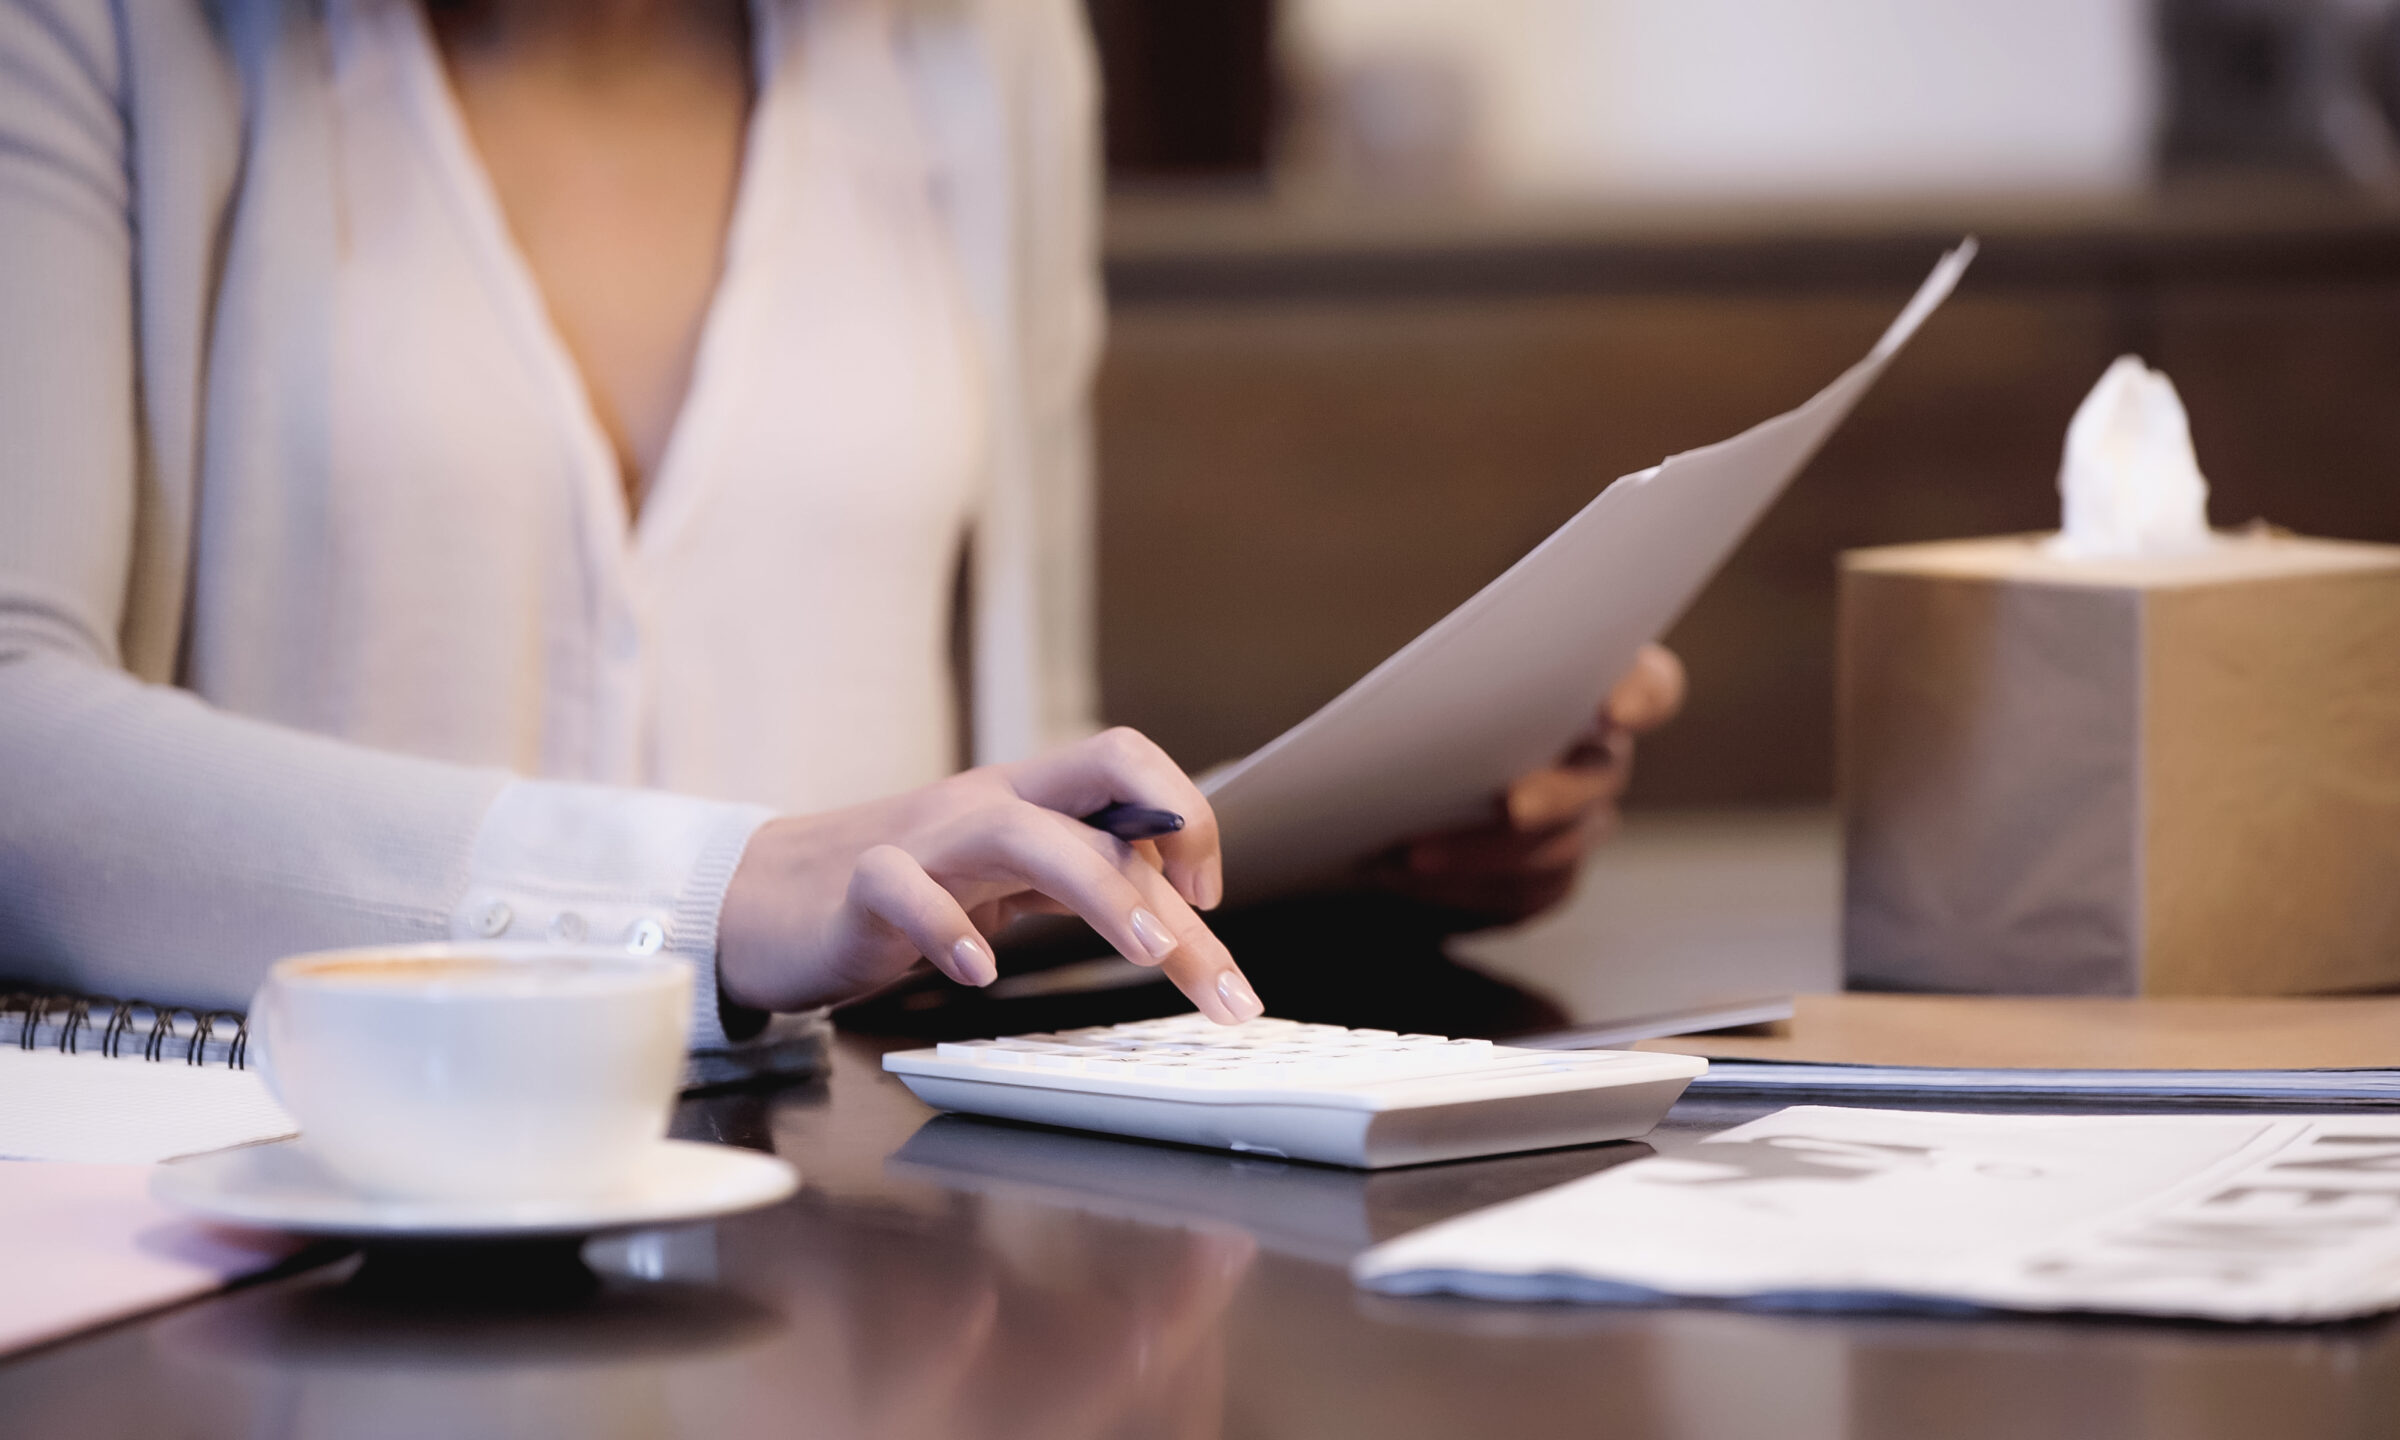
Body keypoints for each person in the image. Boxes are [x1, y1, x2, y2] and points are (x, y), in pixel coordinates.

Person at [0, 0, 1681, 1055]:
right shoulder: (110, 36)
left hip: (873, 1252)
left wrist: (1341, 858)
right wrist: (720, 889)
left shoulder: (988, 48)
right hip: (297, 1233)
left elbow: (979, 782)